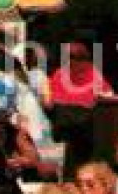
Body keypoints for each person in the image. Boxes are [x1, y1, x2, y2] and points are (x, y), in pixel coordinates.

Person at [46, 42, 112, 174]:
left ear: (83, 59)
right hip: (64, 132)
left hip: (87, 133)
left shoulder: (94, 75)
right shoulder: (60, 74)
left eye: (72, 57)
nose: (68, 61)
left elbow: (108, 97)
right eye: (66, 57)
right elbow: (49, 102)